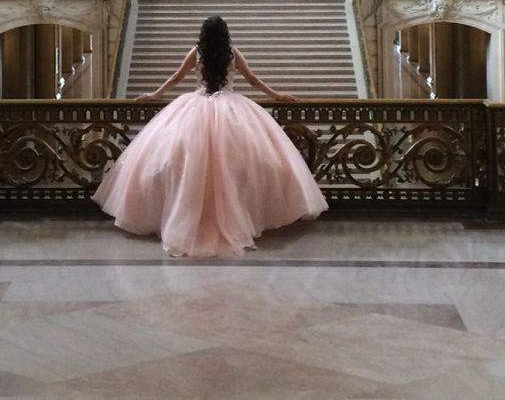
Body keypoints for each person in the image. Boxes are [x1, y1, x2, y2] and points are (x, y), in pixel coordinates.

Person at [92, 15, 328, 257]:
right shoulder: (233, 53)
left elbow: (176, 78)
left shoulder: (196, 53)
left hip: (196, 106)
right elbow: (253, 80)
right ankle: (237, 214)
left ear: (203, 34)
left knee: (184, 161)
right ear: (225, 34)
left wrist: (154, 94)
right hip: (231, 108)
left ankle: (187, 214)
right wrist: (276, 95)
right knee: (239, 163)